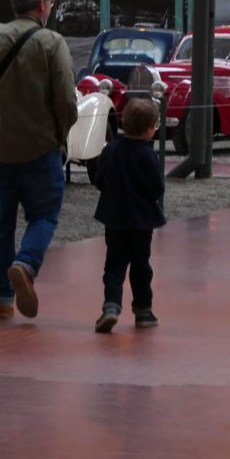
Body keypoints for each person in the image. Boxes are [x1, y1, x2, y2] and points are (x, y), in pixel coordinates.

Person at [0, 0, 78, 321]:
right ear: (42, 5)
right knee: (44, 214)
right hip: (40, 146)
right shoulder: (52, 42)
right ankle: (25, 264)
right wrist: (61, 134)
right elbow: (66, 100)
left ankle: (1, 298)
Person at [90, 97, 166, 333]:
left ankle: (110, 306)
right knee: (141, 265)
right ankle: (143, 310)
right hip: (141, 222)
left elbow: (99, 178)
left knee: (114, 264)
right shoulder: (147, 155)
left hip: (113, 218)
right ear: (148, 130)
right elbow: (157, 187)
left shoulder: (111, 150)